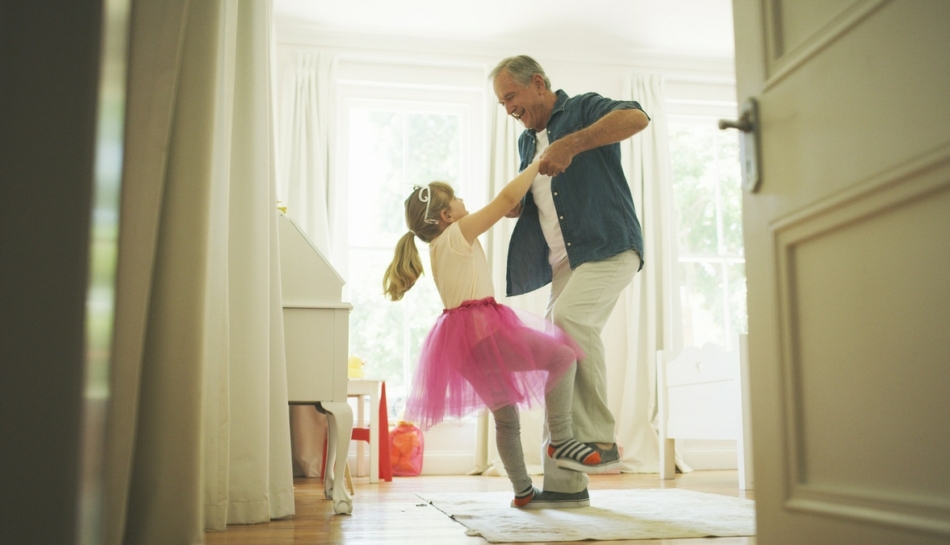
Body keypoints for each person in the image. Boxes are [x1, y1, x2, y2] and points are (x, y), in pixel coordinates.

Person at [383, 162, 605, 508]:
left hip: (461, 346)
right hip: (483, 330)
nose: (461, 200)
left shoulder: (438, 246)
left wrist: (509, 210)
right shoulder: (458, 233)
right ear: (446, 215)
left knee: (506, 419)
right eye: (455, 198)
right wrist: (535, 167)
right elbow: (504, 199)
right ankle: (561, 439)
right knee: (562, 355)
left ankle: (522, 491)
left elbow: (504, 207)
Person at [489, 54, 650, 508]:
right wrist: (517, 205)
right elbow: (543, 198)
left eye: (511, 97)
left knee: (570, 319)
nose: (508, 108)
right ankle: (565, 486)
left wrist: (573, 144)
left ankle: (598, 440)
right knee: (555, 356)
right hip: (564, 264)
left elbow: (636, 116)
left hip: (608, 246)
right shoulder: (526, 143)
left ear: (538, 83)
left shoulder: (581, 109)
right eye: (502, 102)